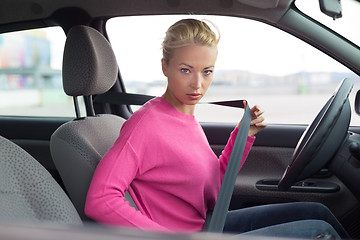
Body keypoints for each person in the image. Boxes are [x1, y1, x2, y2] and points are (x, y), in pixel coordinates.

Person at [85, 19, 348, 239]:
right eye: (186, 70)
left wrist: (244, 137)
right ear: (164, 67)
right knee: (318, 230)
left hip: (207, 225)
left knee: (317, 211)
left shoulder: (185, 118)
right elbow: (100, 199)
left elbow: (213, 191)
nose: (197, 84)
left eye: (207, 71)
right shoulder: (145, 125)